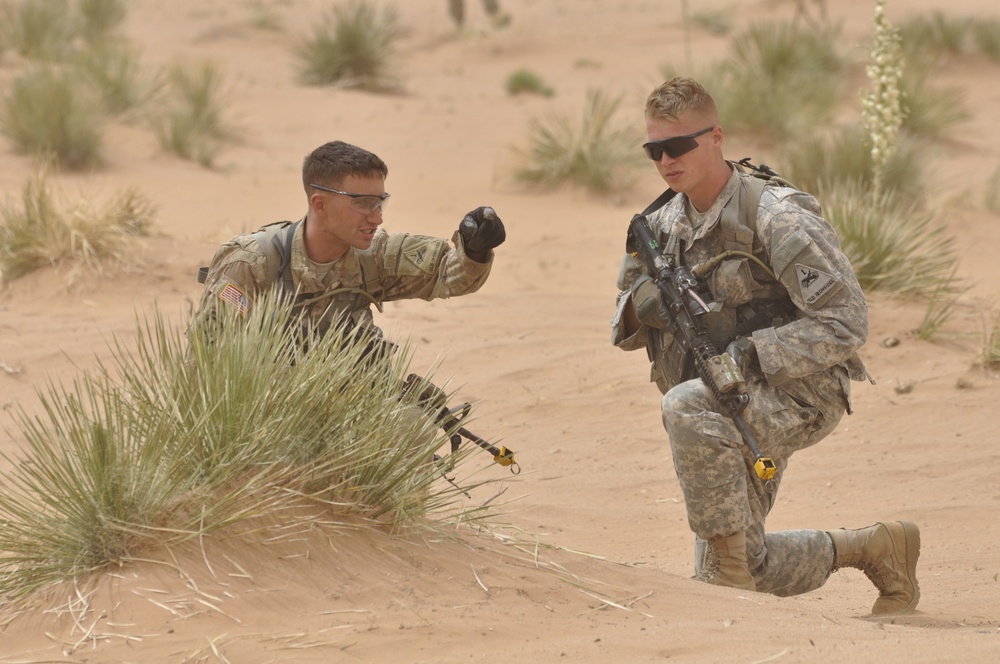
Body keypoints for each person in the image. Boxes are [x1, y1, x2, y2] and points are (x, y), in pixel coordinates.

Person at [610, 77, 920, 614]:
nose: (665, 161)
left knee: (684, 408)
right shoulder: (658, 228)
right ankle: (873, 547)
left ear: (716, 138)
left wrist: (751, 353)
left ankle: (731, 584)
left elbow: (846, 321)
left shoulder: (776, 217)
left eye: (679, 146)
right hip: (721, 403)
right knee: (736, 565)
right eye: (654, 150)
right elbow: (623, 321)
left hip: (799, 389)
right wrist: (648, 302)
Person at [189, 139, 505, 361]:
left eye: (380, 202)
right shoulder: (253, 265)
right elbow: (207, 358)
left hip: (354, 412)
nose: (377, 217)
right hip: (270, 421)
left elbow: (446, 275)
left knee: (414, 424)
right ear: (320, 204)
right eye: (363, 203)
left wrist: (475, 249)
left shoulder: (375, 256)